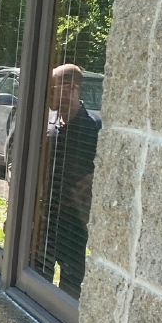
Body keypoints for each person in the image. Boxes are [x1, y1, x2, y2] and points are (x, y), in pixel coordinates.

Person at [32, 63, 100, 298]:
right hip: (43, 218)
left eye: (52, 88)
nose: (47, 94)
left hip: (74, 224)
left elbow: (109, 175)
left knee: (71, 285)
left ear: (71, 89)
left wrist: (94, 179)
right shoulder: (46, 124)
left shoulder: (95, 130)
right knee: (36, 280)